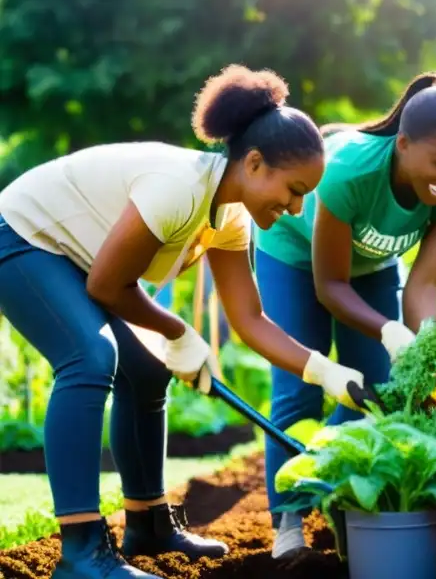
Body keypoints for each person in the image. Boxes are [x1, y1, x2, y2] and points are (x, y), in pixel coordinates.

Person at [0, 65, 372, 579]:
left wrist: (325, 372)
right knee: (89, 357)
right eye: (293, 189)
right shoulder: (179, 187)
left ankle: (148, 522)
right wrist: (176, 331)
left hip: (75, 257)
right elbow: (107, 286)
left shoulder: (232, 216)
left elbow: (249, 317)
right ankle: (82, 551)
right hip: (23, 236)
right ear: (256, 162)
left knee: (148, 372)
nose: (295, 207)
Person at [252, 71, 436, 558]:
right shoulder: (351, 171)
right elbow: (329, 286)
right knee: (301, 382)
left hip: (372, 267)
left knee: (375, 391)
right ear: (402, 145)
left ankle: (337, 492)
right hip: (293, 254)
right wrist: (389, 328)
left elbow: (425, 280)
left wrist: (419, 344)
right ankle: (289, 518)